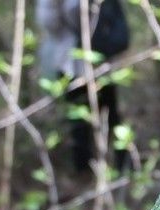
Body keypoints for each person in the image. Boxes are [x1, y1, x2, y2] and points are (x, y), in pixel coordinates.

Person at [36, 0, 130, 175]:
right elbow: (49, 23)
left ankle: (123, 164)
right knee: (78, 122)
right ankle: (84, 170)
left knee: (110, 114)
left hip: (100, 63)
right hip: (70, 66)